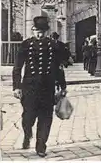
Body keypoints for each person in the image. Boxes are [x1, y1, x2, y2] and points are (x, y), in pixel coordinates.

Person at [12, 15, 67, 157]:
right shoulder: (25, 45)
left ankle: (41, 145)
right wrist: (16, 86)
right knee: (28, 117)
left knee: (45, 118)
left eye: (42, 31)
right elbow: (17, 67)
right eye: (36, 31)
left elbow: (58, 67)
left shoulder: (54, 46)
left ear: (47, 31)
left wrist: (62, 86)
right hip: (29, 87)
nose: (39, 34)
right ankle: (27, 132)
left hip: (47, 87)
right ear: (32, 30)